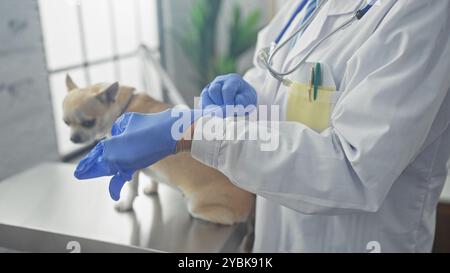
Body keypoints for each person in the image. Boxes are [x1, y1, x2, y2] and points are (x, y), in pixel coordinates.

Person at [75, 0, 450, 252]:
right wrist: (236, 99)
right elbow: (272, 79)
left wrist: (188, 131)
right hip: (275, 235)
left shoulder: (422, 12)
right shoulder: (304, 6)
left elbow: (352, 168)